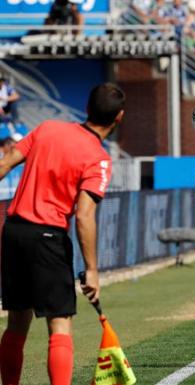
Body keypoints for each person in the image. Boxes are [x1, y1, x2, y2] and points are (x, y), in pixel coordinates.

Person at [0, 83, 124, 384]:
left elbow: (4, 163)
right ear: (118, 118)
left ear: (87, 107)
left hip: (13, 232)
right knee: (59, 325)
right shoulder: (99, 159)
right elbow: (83, 215)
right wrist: (92, 270)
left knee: (17, 323)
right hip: (48, 239)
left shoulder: (48, 128)